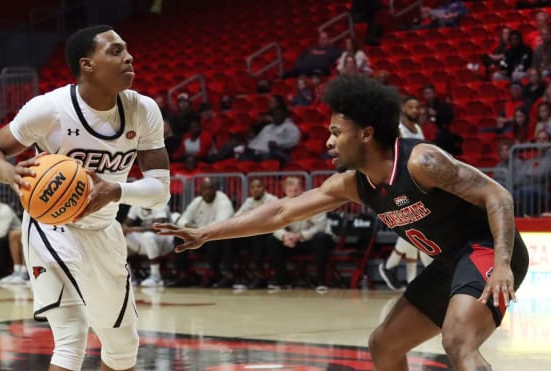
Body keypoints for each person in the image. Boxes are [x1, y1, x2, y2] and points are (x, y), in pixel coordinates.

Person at [155, 75, 529, 370]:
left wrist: (501, 265)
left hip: (488, 250)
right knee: (384, 344)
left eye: (336, 133)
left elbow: (497, 195)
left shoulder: (421, 162)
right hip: (448, 262)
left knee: (458, 341)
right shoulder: (353, 184)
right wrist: (205, 233)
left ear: (366, 134)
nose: (328, 141)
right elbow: (282, 212)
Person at [0, 25, 170, 371]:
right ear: (87, 65)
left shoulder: (144, 110)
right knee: (71, 336)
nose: (128, 57)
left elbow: (160, 190)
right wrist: (10, 174)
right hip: (53, 226)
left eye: (127, 49)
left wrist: (118, 190)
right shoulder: (49, 109)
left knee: (123, 345)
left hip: (104, 230)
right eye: (115, 51)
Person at [379, 97, 433, 290]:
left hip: (417, 182)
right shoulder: (399, 129)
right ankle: (392, 267)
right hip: (400, 183)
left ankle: (406, 277)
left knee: (415, 227)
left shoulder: (419, 130)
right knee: (416, 227)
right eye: (411, 106)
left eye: (417, 106)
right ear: (403, 109)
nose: (415, 109)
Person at [166, 178, 234, 288]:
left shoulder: (223, 201)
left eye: (210, 188)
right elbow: (182, 220)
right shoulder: (197, 201)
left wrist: (196, 230)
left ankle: (216, 274)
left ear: (215, 189)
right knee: (179, 236)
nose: (207, 191)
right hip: (199, 238)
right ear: (200, 191)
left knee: (215, 237)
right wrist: (191, 228)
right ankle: (181, 275)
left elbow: (219, 225)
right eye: (204, 189)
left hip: (216, 240)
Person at [122, 204, 173, 287]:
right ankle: (129, 277)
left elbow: (156, 227)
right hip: (148, 241)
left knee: (148, 236)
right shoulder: (136, 204)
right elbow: (126, 223)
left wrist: (133, 229)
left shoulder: (161, 202)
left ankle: (156, 277)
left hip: (166, 241)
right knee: (120, 236)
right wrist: (123, 228)